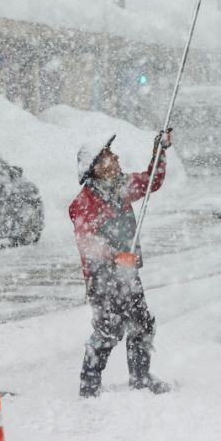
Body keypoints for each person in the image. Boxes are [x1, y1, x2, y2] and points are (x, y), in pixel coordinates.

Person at [70, 130, 172, 398]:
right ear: (96, 166)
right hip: (102, 278)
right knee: (108, 331)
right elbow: (87, 242)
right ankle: (89, 385)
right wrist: (114, 255)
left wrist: (159, 151)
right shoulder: (83, 203)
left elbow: (152, 181)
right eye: (108, 155)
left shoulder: (121, 186)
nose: (115, 158)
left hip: (128, 275)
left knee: (141, 324)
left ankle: (140, 377)